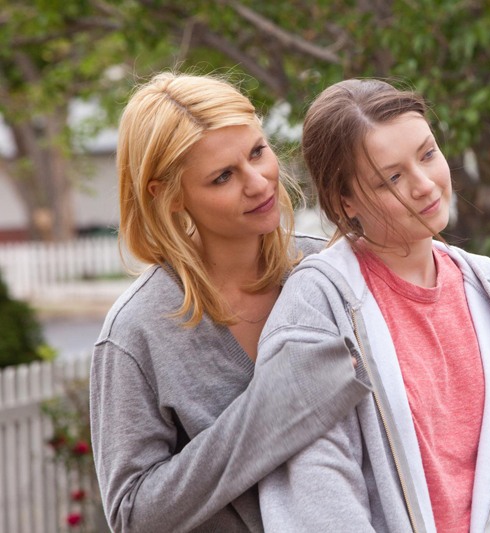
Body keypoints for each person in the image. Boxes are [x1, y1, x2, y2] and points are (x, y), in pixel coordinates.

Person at [257, 78, 490, 532]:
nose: (424, 184)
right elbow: (318, 493)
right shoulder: (318, 307)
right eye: (391, 178)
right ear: (344, 201)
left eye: (428, 154)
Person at [89, 72, 370, 533]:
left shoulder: (330, 273)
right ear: (168, 196)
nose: (258, 183)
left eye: (257, 152)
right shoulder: (136, 331)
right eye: (223, 176)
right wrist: (273, 410)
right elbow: (132, 515)